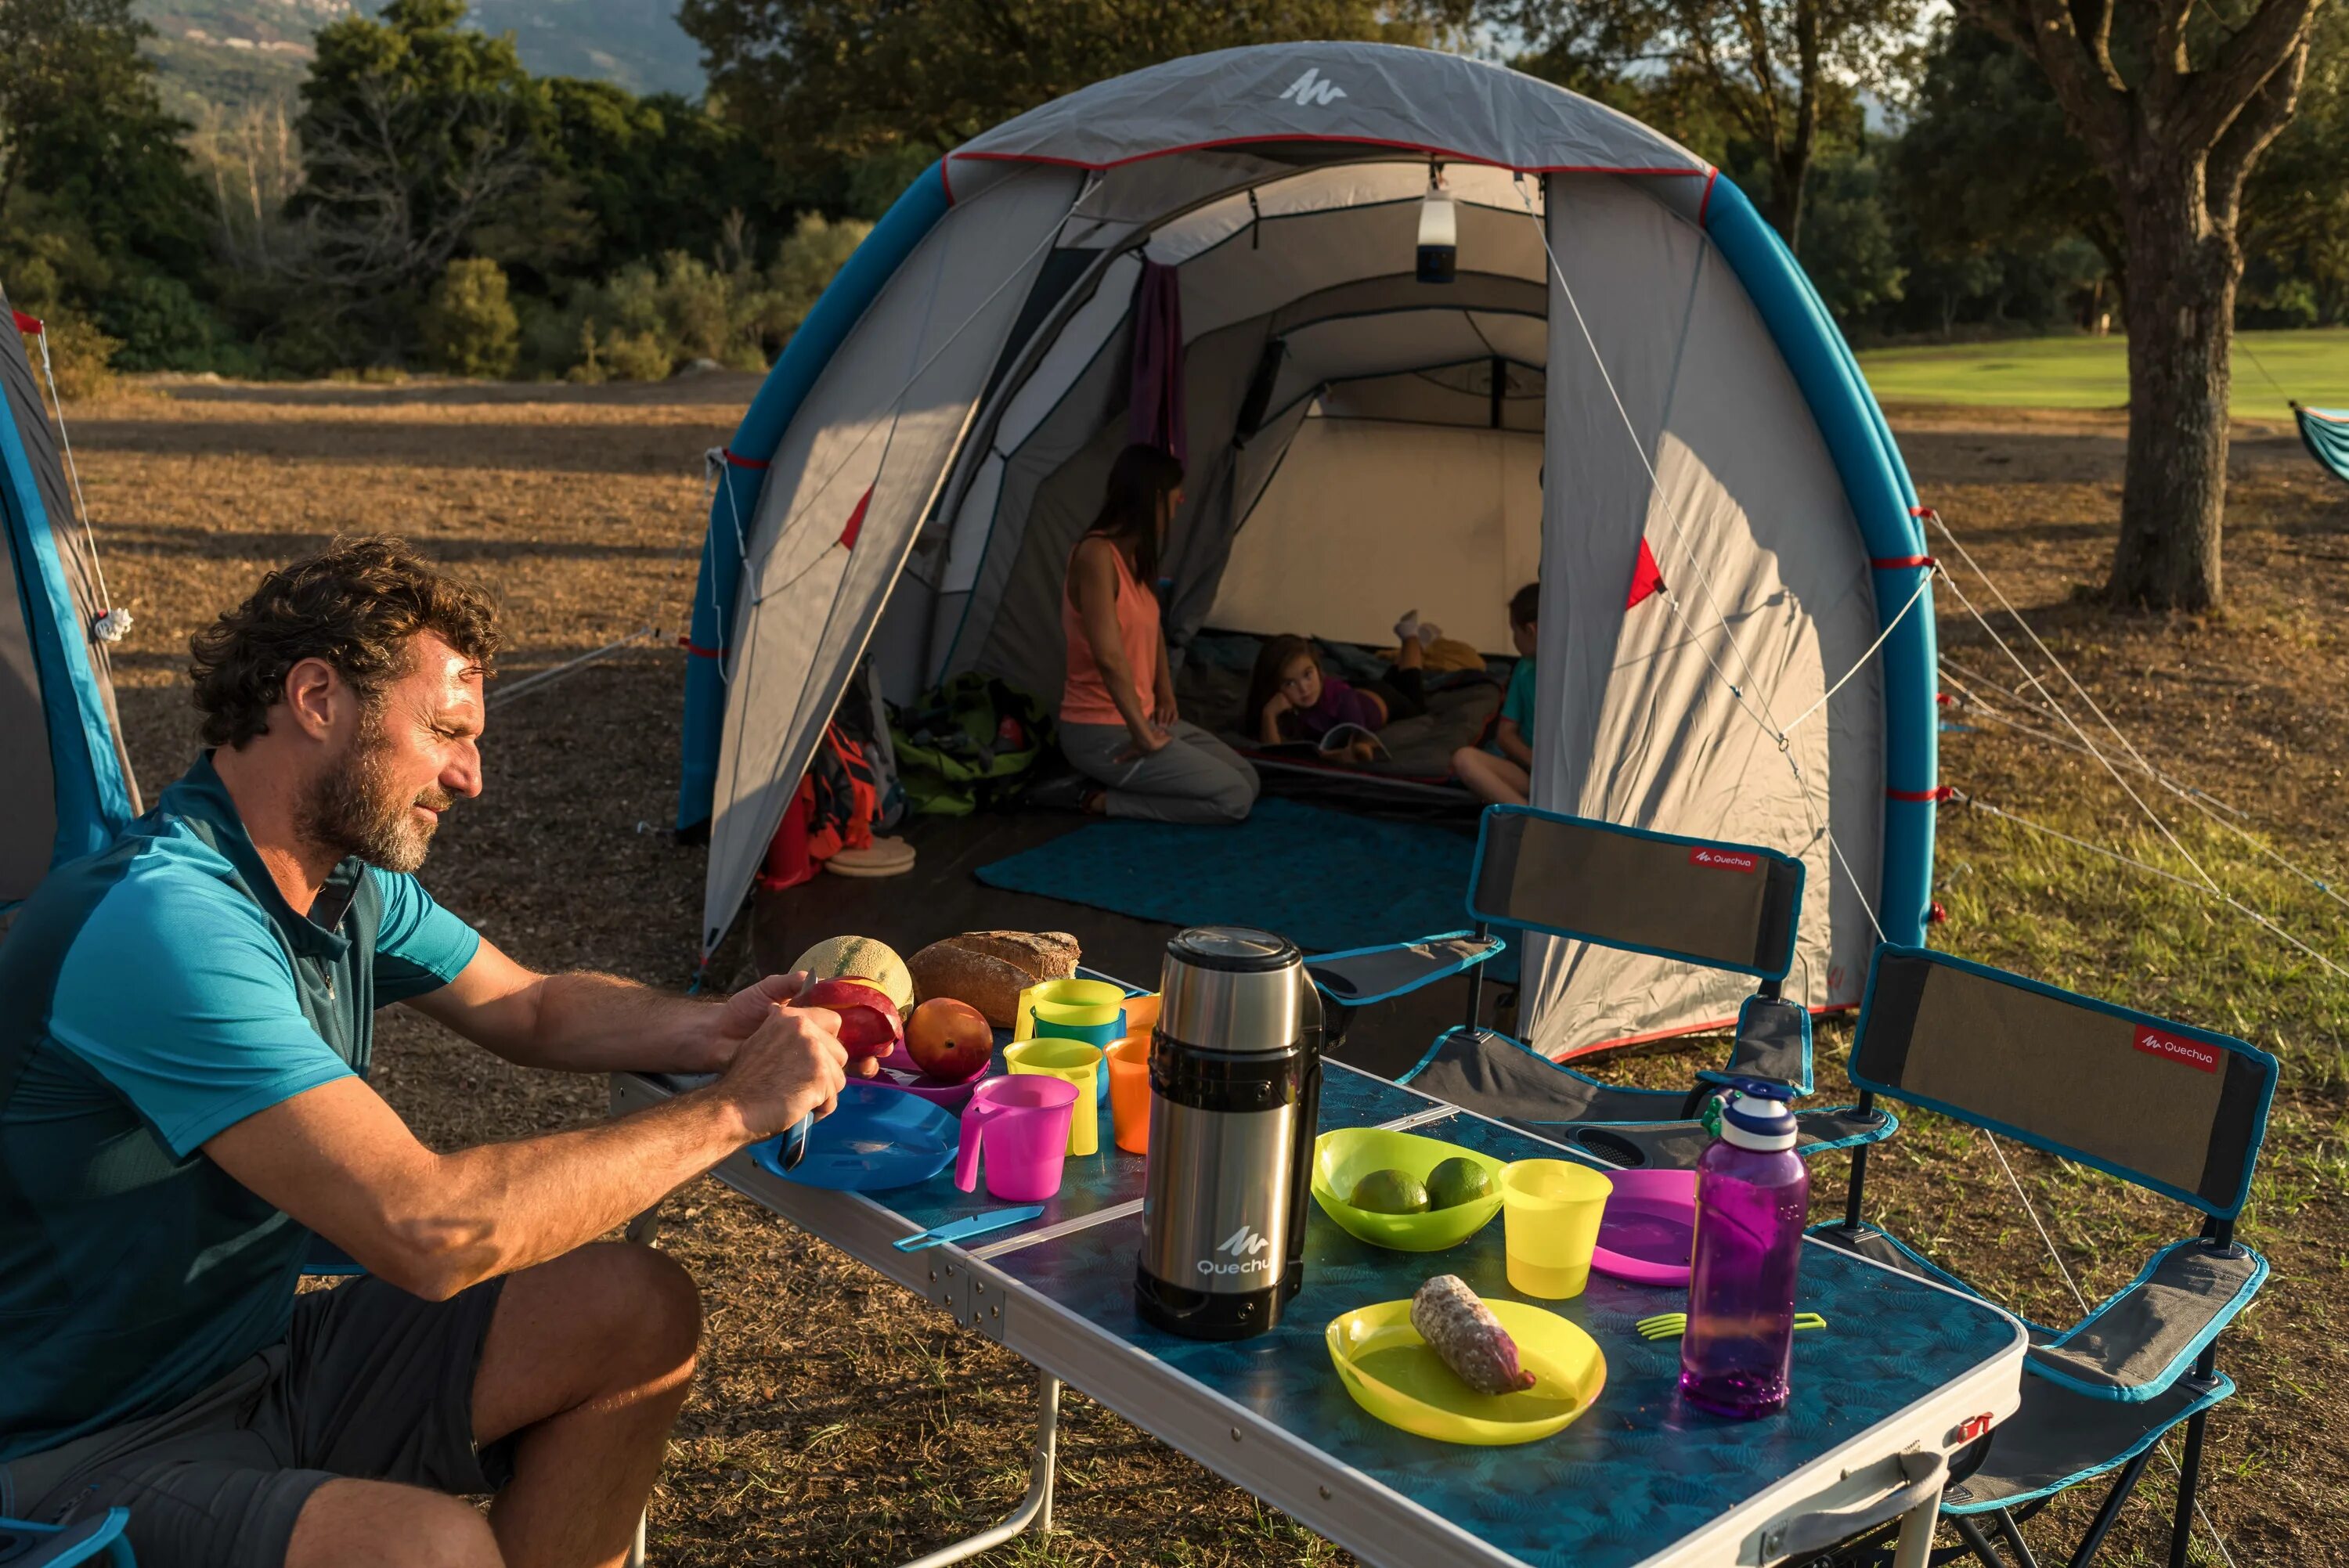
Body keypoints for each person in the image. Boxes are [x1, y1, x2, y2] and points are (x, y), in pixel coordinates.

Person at [0, 537, 868, 1568]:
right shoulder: (166, 922)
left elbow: (532, 1006)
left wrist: (708, 1028)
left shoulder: (336, 877)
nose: (473, 774)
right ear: (318, 697)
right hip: (68, 1449)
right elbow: (428, 1228)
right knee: (429, 1548)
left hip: (257, 1361)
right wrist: (732, 1106)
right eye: (447, 731)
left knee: (634, 1307)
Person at [1052, 444, 1259, 824]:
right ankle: (1096, 800)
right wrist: (1142, 734)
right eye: (1176, 498)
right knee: (1234, 799)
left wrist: (1164, 692)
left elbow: (1153, 632)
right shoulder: (1095, 555)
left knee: (1248, 779)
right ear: (1153, 498)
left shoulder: (1135, 557)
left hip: (1144, 718)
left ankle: (1131, 780)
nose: (1180, 507)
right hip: (1101, 730)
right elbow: (1109, 657)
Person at [1244, 612, 1439, 764]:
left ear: (1318, 669)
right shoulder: (1284, 706)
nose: (1304, 689)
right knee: (1396, 680)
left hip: (1382, 700)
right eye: (1290, 683)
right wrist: (1268, 714)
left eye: (1308, 674)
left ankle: (1411, 637)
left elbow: (1360, 747)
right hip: (1356, 689)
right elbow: (1274, 756)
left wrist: (1336, 755)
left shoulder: (1344, 700)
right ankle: (1416, 647)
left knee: (1414, 698)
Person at [1452, 581, 1540, 806]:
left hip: (1570, 779)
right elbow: (1505, 733)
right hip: (1531, 774)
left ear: (1530, 631)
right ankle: (1530, 818)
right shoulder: (1525, 669)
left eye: (1514, 631)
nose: (1514, 640)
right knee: (1465, 759)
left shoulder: (1578, 675)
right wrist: (1534, 762)